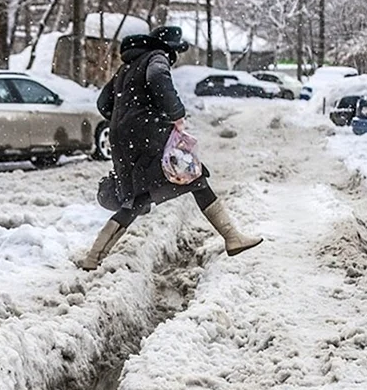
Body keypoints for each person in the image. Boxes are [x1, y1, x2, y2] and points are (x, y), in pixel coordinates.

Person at [79, 26, 262, 270]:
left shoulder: (126, 67)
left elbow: (103, 103)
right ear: (170, 49)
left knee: (137, 199)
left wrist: (126, 118)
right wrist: (175, 114)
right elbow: (158, 78)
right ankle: (232, 237)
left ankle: (94, 257)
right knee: (195, 177)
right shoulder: (156, 57)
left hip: (122, 138)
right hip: (148, 135)